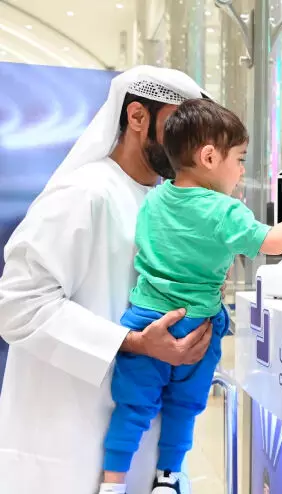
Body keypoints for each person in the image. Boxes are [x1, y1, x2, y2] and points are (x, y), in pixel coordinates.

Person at [98, 99, 282, 494]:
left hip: (144, 318)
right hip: (197, 324)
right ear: (209, 156)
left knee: (132, 407)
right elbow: (274, 243)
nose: (241, 170)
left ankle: (112, 483)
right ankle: (168, 478)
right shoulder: (225, 211)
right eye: (238, 159)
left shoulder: (155, 197)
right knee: (183, 407)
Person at [0, 66, 211, 494]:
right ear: (137, 117)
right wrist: (131, 342)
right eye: (179, 127)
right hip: (71, 441)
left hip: (143, 437)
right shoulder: (85, 193)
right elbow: (18, 306)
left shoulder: (162, 201)